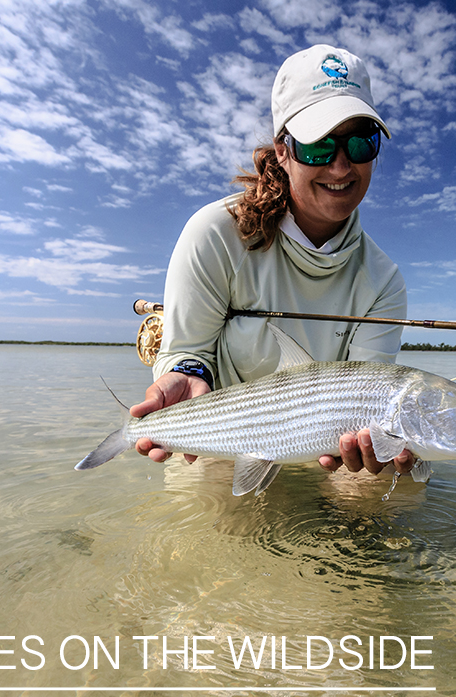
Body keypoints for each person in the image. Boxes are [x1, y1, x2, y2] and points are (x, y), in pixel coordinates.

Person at [131, 44, 415, 477]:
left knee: (387, 487)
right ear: (282, 150)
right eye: (319, 147)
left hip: (326, 453)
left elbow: (369, 399)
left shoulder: (384, 281)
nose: (341, 167)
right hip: (220, 441)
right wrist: (185, 372)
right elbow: (187, 352)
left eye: (361, 142)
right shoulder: (215, 233)